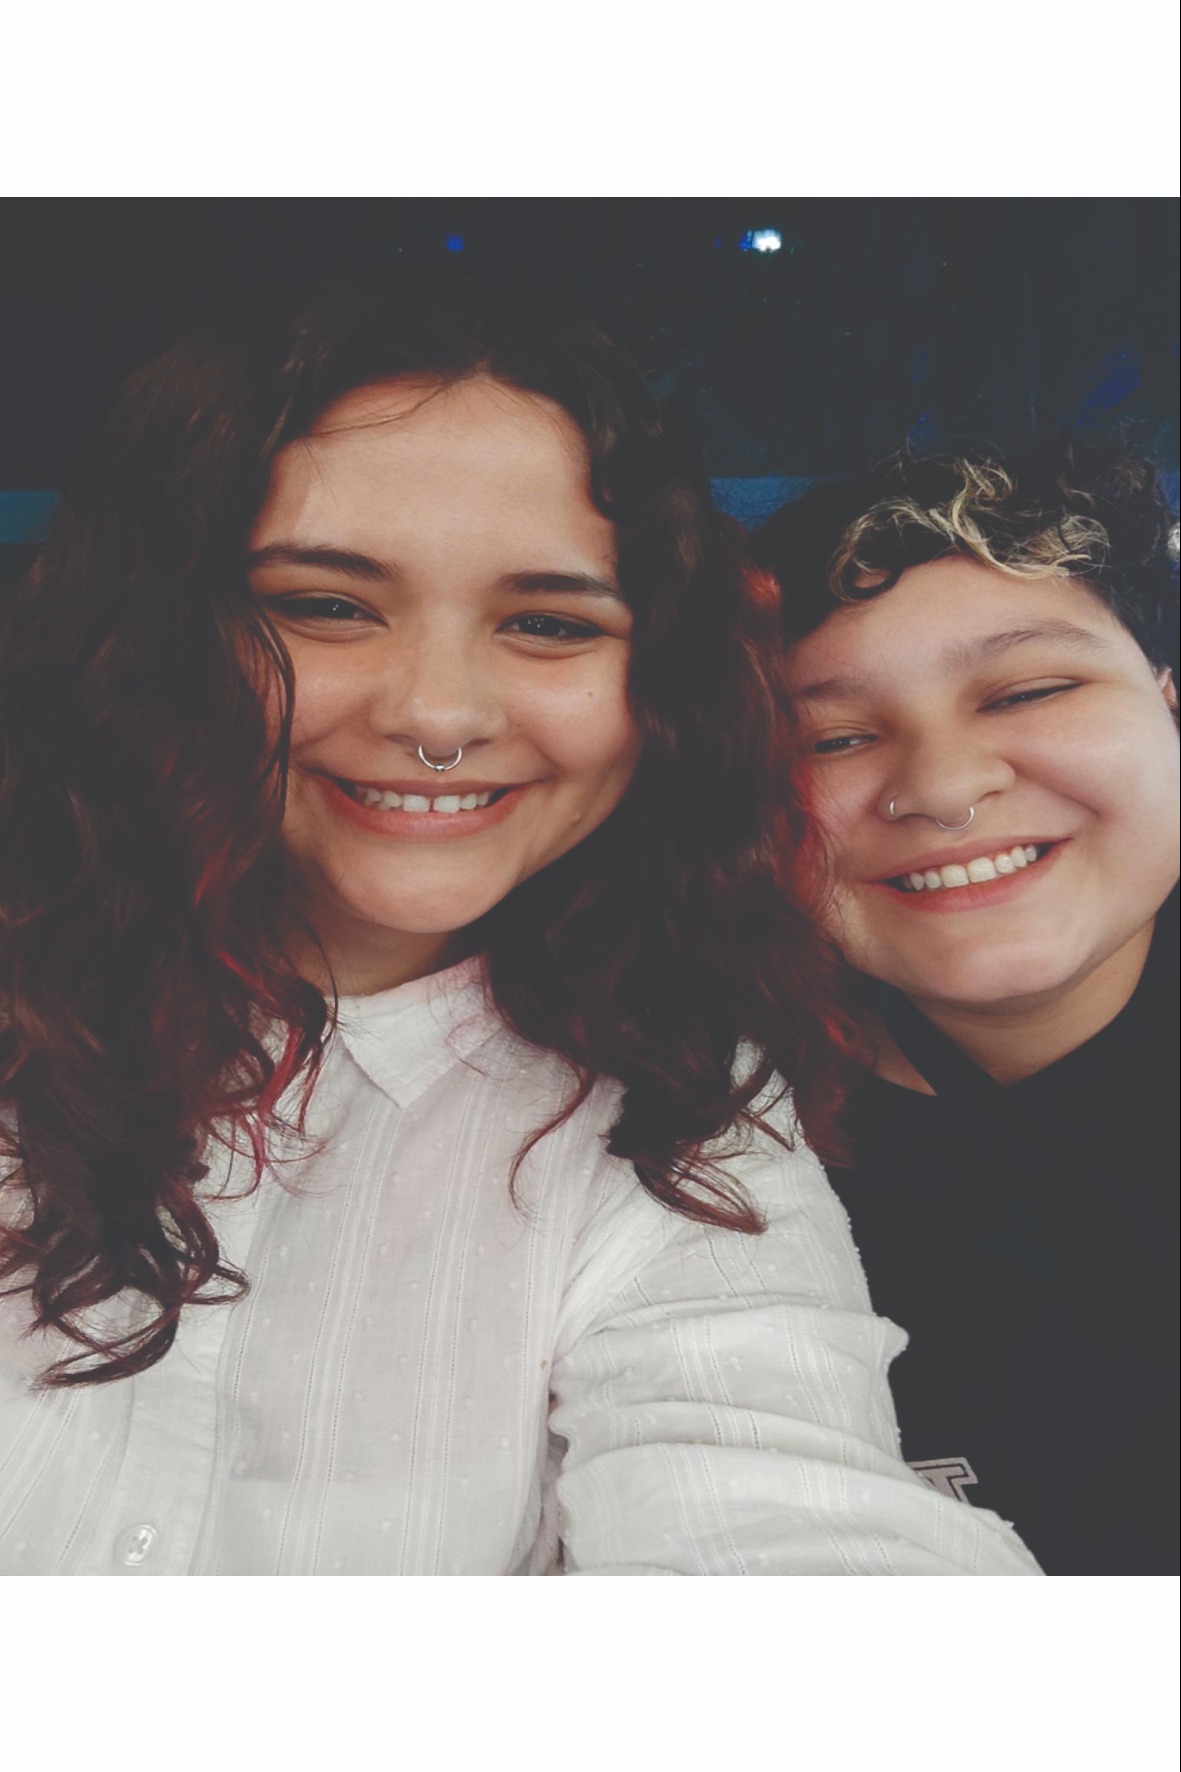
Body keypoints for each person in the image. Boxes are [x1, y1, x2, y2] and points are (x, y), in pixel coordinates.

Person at [0, 275, 1038, 1578]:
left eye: (548, 623)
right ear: (155, 633)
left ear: (655, 686)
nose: (439, 714)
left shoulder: (676, 1111)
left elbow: (786, 1513)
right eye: (326, 605)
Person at [755, 440, 1179, 1575]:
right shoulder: (696, 1140)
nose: (942, 787)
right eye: (831, 740)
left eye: (1029, 690)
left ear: (1167, 703)